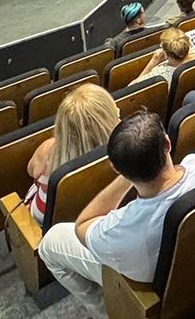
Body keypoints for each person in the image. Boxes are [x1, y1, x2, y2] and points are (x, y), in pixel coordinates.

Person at [37, 111, 195, 316]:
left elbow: (82, 225)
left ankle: (105, 312)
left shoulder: (120, 233)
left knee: (50, 242)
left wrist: (128, 171)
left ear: (116, 168)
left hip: (150, 286)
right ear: (167, 143)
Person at [22, 84, 121, 225]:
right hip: (97, 221)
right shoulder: (125, 150)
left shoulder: (49, 150)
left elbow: (31, 171)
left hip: (46, 227)